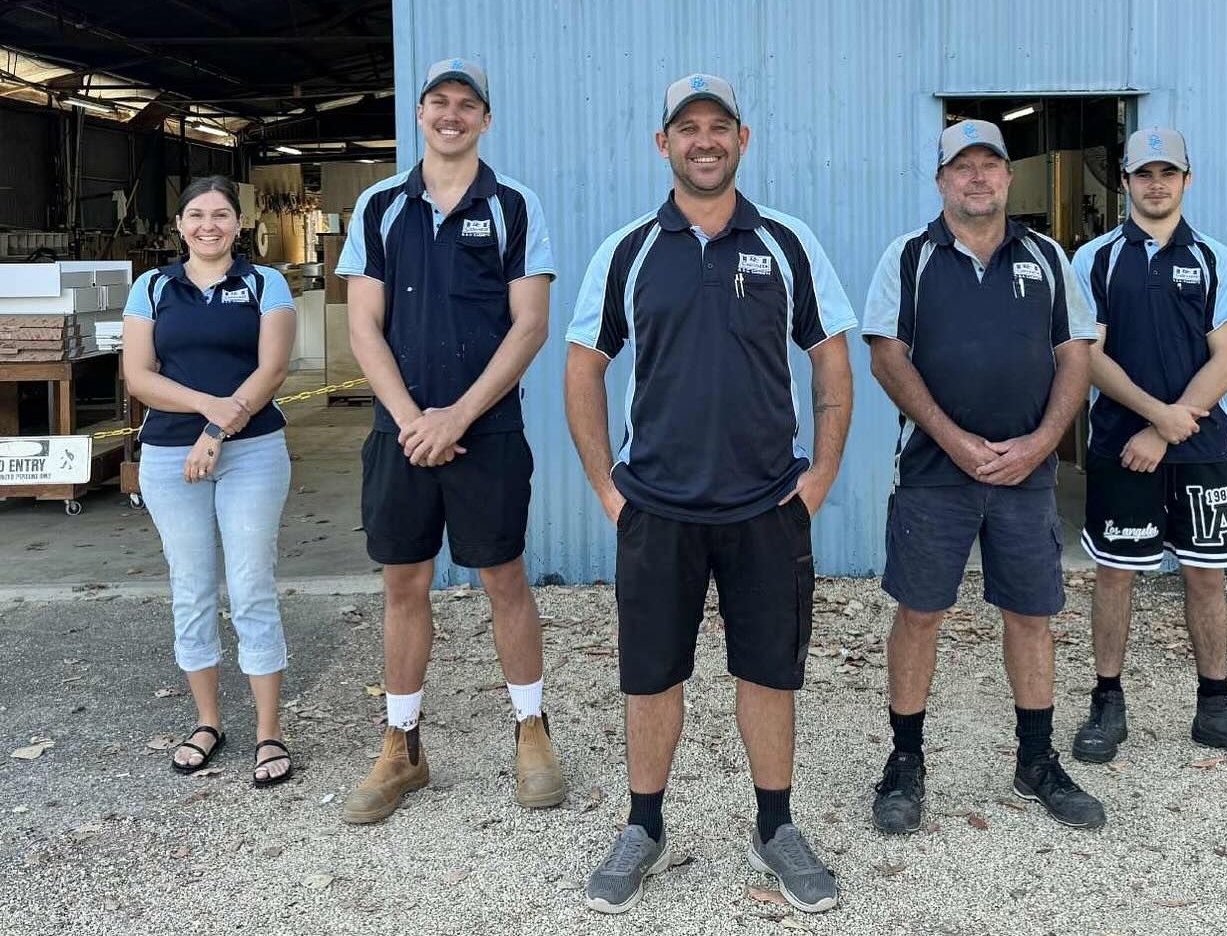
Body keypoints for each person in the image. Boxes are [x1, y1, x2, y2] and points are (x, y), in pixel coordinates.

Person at [565, 74, 855, 914]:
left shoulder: (789, 243)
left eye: (718, 125)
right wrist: (609, 493)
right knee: (652, 675)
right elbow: (583, 371)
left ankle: (776, 827)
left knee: (768, 671)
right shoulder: (628, 250)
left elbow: (832, 366)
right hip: (656, 508)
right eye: (686, 126)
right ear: (663, 143)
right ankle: (643, 827)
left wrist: (818, 481)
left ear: (743, 139)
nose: (703, 139)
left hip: (767, 506)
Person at [336, 57, 564, 824]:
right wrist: (411, 419)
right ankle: (403, 744)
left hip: (486, 429)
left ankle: (531, 728)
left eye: (468, 104)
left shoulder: (514, 205)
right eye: (440, 101)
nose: (452, 115)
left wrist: (456, 417)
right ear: (421, 113)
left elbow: (529, 325)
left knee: (504, 578)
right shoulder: (377, 207)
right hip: (399, 433)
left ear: (486, 120)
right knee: (404, 584)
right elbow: (362, 324)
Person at [863, 119, 1104, 835]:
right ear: (941, 181)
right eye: (960, 167)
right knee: (920, 613)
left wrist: (1043, 443)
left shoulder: (1047, 257)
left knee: (1032, 614)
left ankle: (1036, 760)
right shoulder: (907, 259)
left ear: (1007, 176)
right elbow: (886, 357)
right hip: (935, 472)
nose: (976, 178)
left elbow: (1075, 356)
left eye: (988, 166)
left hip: (1025, 475)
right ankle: (905, 760)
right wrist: (953, 437)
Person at [1069, 128, 1227, 767]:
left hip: (1198, 447)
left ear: (1187, 180)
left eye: (1168, 172)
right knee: (1115, 573)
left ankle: (1216, 707)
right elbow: (1089, 357)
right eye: (1144, 174)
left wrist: (1168, 428)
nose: (1156, 184)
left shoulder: (1217, 258)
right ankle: (1108, 701)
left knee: (1206, 575)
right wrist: (1152, 418)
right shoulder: (1096, 260)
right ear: (1127, 182)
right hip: (1121, 444)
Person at [121, 174, 297, 787]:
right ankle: (208, 721)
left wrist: (219, 431)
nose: (208, 225)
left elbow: (272, 369)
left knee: (251, 585)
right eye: (196, 214)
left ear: (238, 224)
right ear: (180, 225)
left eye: (221, 214)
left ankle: (269, 731)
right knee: (191, 587)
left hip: (252, 451)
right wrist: (207, 408)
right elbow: (139, 377)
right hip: (170, 457)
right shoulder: (152, 287)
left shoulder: (263, 284)